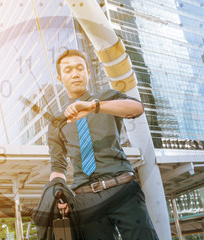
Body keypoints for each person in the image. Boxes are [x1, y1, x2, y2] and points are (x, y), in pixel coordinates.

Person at [47, 49, 159, 240]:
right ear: (60, 78)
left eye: (80, 68)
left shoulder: (108, 98)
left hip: (123, 189)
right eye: (68, 70)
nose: (75, 74)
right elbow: (58, 166)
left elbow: (137, 108)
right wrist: (58, 193)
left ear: (88, 73)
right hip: (85, 199)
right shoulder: (57, 121)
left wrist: (93, 107)